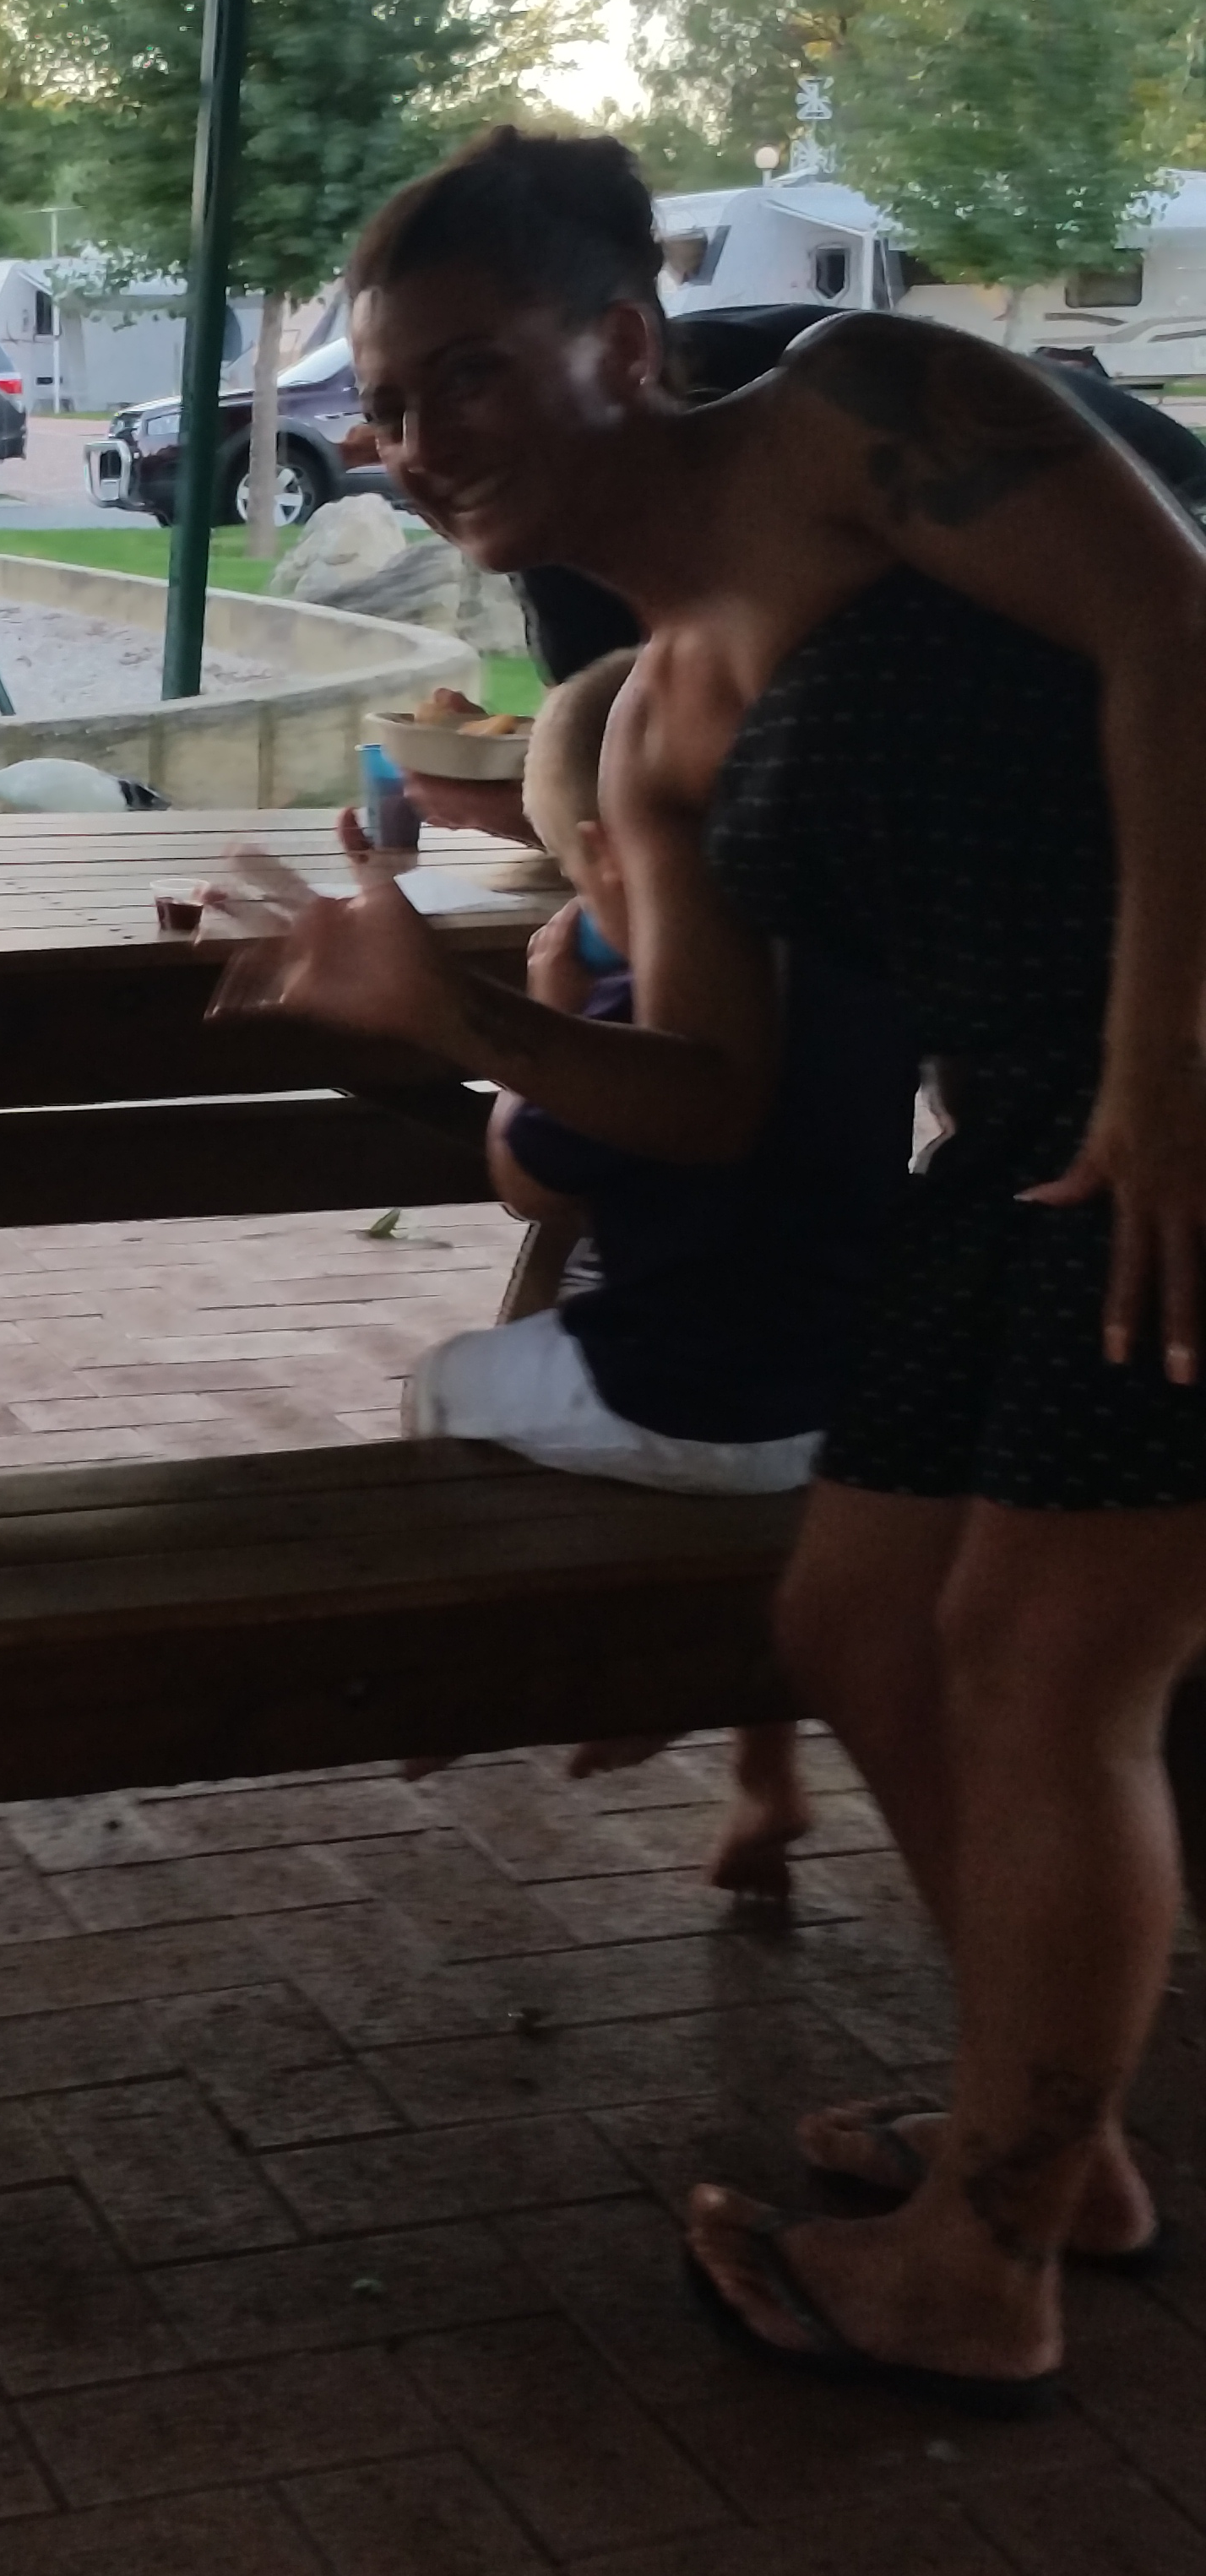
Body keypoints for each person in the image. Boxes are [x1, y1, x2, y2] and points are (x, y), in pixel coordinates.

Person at [213, 125, 1206, 2409]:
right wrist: (449, 1014)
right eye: (387, 399)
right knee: (852, 1615)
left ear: (622, 339)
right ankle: (1053, 2147)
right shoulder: (659, 719)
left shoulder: (862, 414)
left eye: (471, 371)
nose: (418, 435)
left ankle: (984, 2263)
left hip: (1177, 1093)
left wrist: (1167, 1065)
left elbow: (1177, 626)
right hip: (1025, 1131)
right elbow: (715, 1099)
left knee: (1044, 1661)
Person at [406, 643, 916, 1899]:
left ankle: (491, 1666)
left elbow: (529, 1181)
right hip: (838, 1413)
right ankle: (765, 1777)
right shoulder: (864, 981)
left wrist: (547, 1022)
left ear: (610, 857)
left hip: (673, 1402)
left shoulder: (635, 1024)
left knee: (448, 1380)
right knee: (733, 1506)